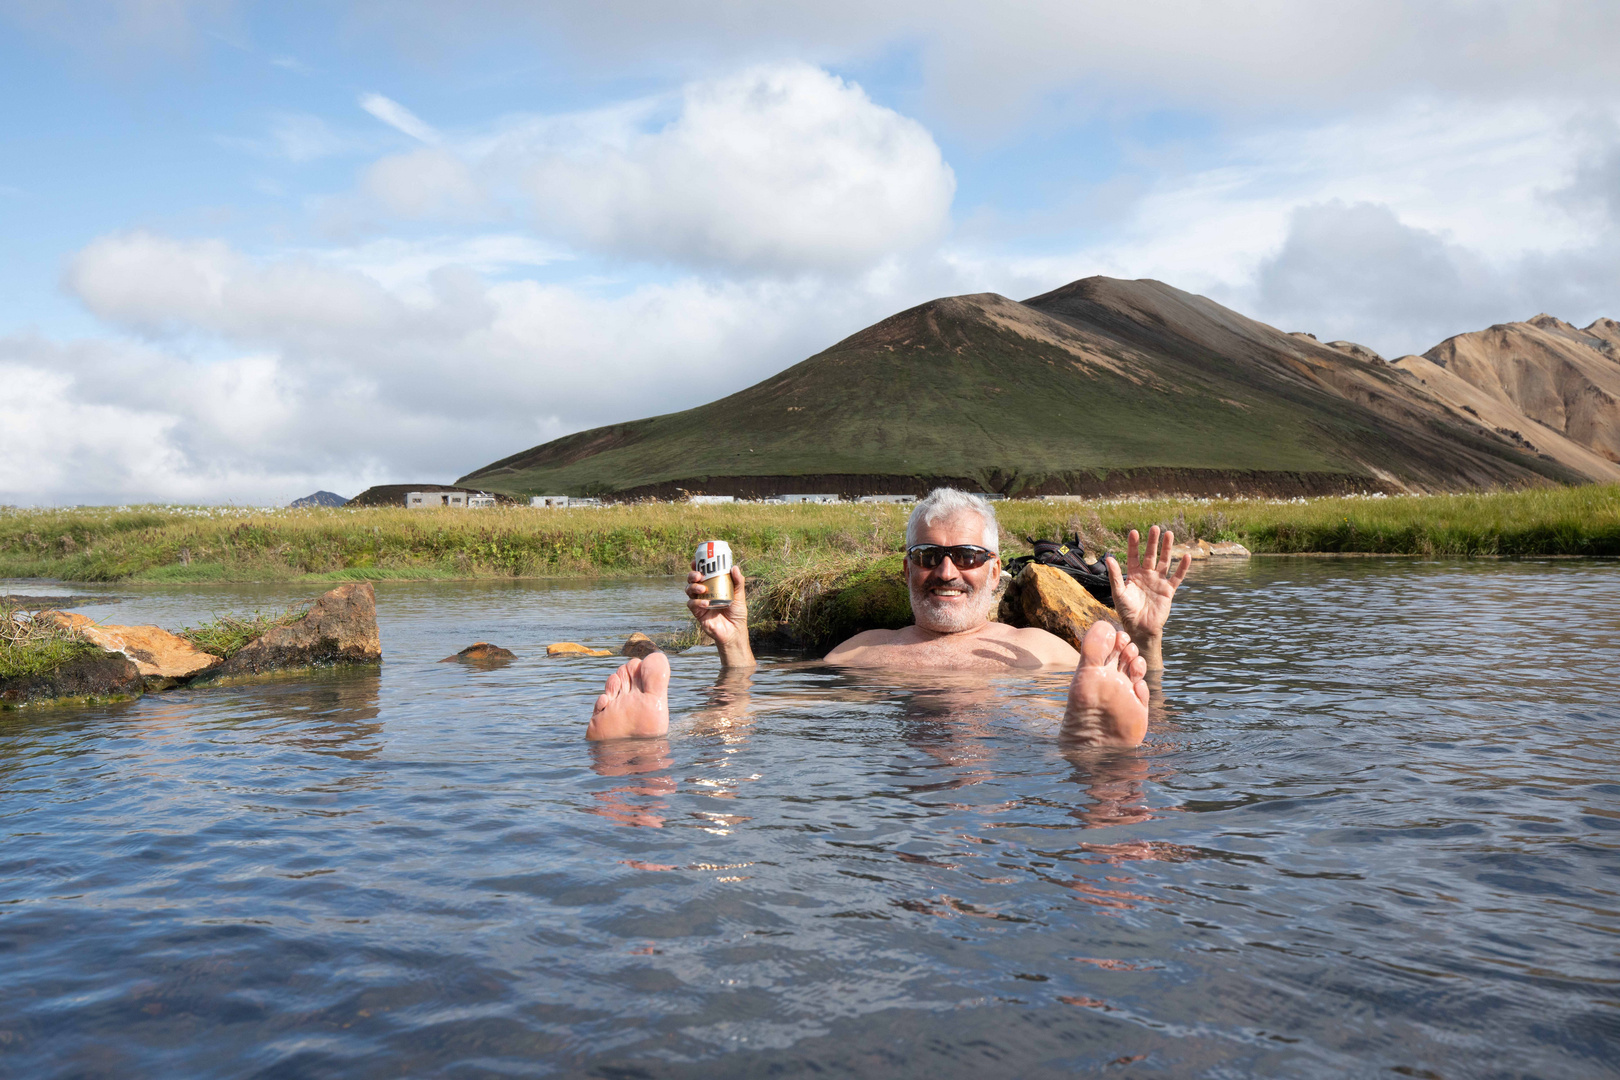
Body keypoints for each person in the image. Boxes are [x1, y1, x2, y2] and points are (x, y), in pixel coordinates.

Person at [585, 488, 1191, 748]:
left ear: (997, 569)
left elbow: (1150, 706)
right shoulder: (862, 649)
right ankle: (648, 742)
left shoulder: (1040, 648)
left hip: (1016, 739)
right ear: (907, 569)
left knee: (1055, 721)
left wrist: (1146, 639)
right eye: (929, 557)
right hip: (893, 735)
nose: (948, 572)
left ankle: (1090, 747)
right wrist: (733, 647)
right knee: (741, 714)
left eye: (968, 557)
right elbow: (770, 698)